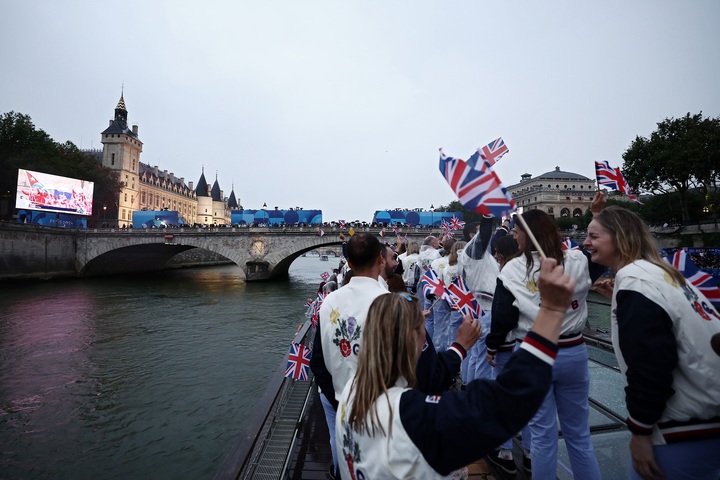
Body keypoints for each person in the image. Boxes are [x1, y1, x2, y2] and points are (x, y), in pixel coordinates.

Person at [336, 257, 580, 479]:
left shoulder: (352, 390)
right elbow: (506, 403)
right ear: (412, 339)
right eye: (423, 329)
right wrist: (551, 311)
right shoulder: (409, 416)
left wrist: (459, 347)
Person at [584, 205, 720, 480]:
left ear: (620, 237)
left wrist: (641, 431)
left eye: (594, 236)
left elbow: (650, 365)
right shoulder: (660, 272)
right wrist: (624, 307)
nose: (585, 243)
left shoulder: (635, 280)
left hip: (682, 428)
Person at [487, 202, 606, 480]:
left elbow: (503, 316)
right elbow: (602, 255)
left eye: (517, 232)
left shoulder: (512, 269)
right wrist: (598, 214)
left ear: (527, 234)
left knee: (542, 436)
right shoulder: (578, 260)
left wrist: (492, 345)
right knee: (579, 434)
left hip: (533, 353)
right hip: (573, 350)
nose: (514, 236)